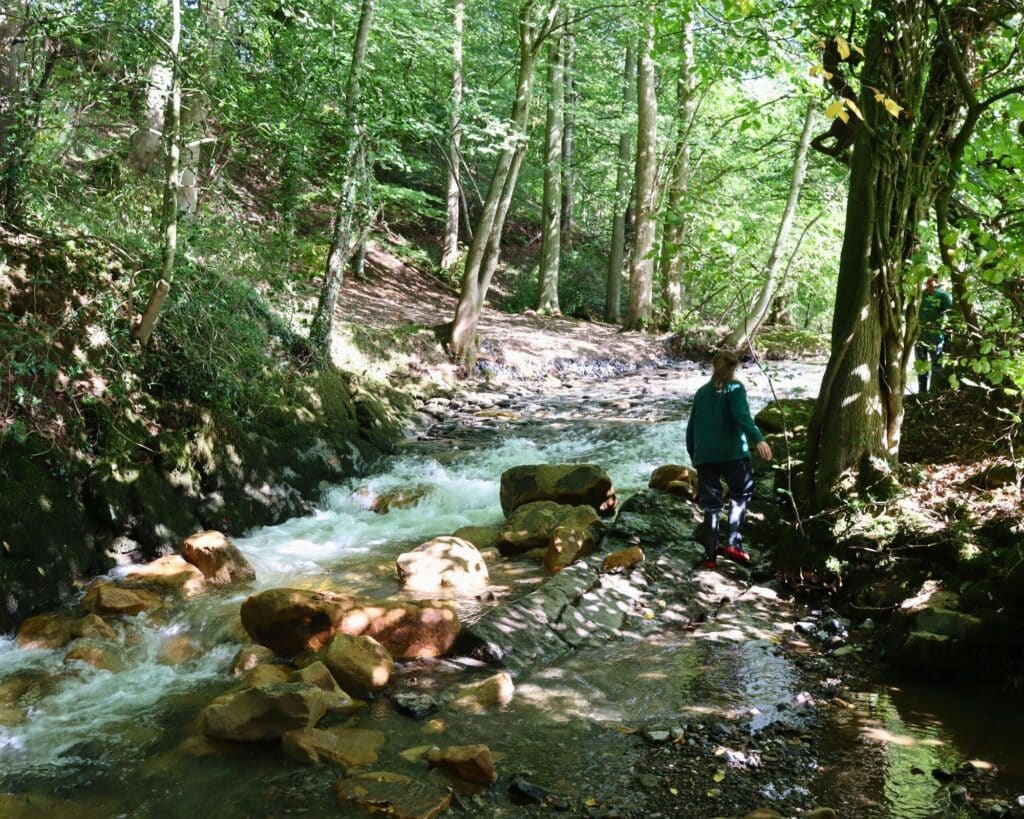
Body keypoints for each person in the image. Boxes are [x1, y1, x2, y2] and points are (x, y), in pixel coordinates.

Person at [686, 350, 772, 569]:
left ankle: (710, 557)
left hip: (705, 456)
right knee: (741, 494)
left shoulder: (701, 392)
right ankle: (733, 544)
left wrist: (695, 455)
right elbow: (741, 416)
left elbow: (691, 427)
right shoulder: (735, 388)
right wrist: (758, 439)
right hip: (733, 454)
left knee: (711, 505)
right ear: (734, 368)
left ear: (714, 366)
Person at [916, 275, 953, 394]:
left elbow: (951, 317)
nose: (930, 284)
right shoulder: (919, 295)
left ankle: (935, 392)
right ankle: (922, 393)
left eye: (933, 281)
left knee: (936, 366)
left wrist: (947, 338)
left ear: (937, 283)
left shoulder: (943, 296)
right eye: (928, 281)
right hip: (919, 337)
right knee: (921, 366)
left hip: (936, 337)